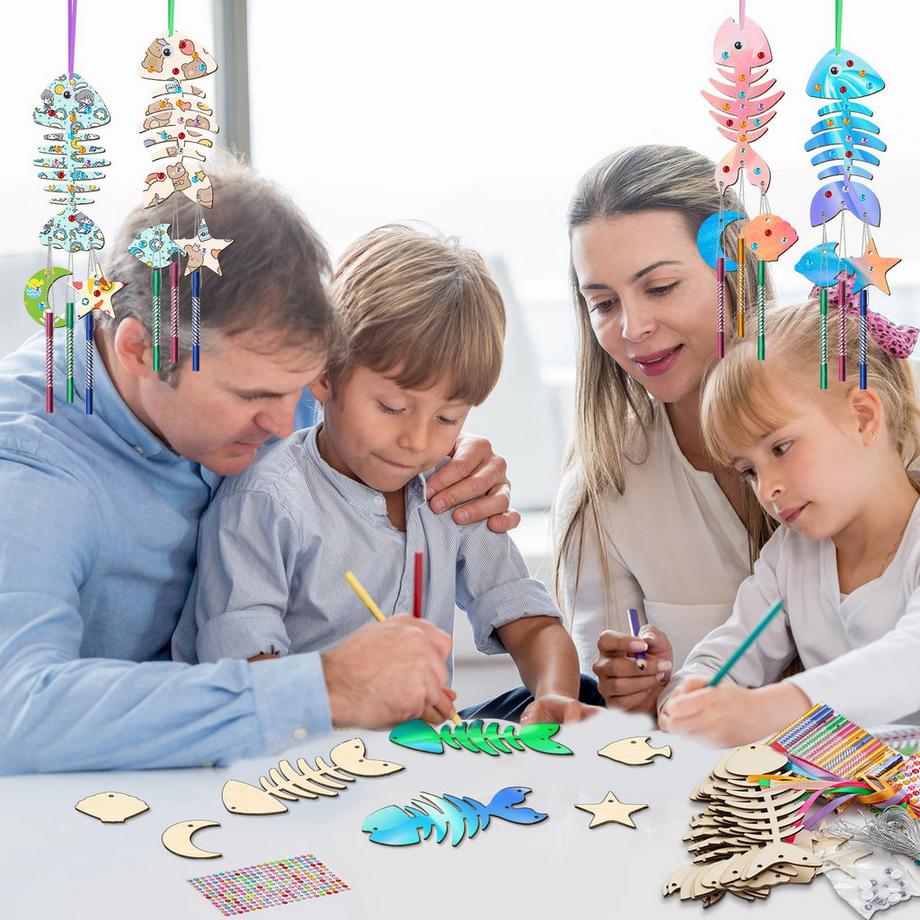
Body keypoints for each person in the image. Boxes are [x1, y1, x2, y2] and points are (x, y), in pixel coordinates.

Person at [0, 161, 519, 774]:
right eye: (251, 398)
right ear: (140, 350)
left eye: (299, 387)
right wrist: (321, 688)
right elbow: (17, 716)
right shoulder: (28, 462)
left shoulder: (258, 364)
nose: (283, 423)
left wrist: (442, 458)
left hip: (271, 777)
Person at [174, 225, 596, 726]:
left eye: (448, 418)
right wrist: (356, 698)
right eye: (393, 407)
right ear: (327, 374)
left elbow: (530, 623)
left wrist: (556, 697)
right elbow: (241, 669)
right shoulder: (267, 501)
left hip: (418, 746)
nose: (418, 440)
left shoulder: (450, 488)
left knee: (588, 694)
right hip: (302, 746)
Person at [552, 144, 775, 714]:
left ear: (736, 268)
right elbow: (609, 710)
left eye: (659, 288)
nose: (632, 328)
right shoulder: (604, 482)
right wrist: (626, 692)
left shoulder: (870, 410)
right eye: (603, 303)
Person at [658, 298, 920, 745]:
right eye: (750, 470)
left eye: (780, 448)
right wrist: (687, 697)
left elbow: (908, 661)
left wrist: (776, 707)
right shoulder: (789, 556)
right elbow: (728, 653)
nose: (767, 489)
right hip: (847, 800)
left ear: (863, 417)